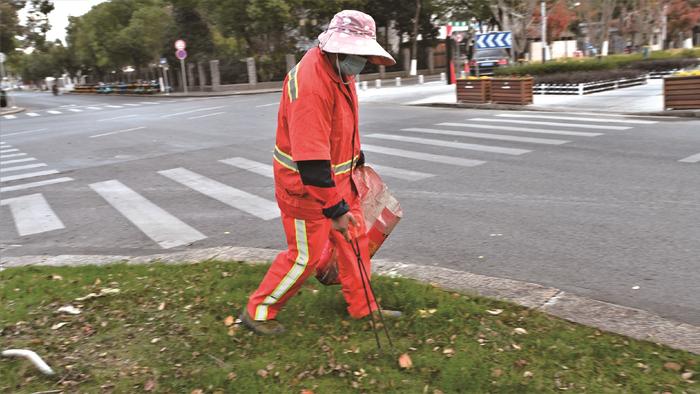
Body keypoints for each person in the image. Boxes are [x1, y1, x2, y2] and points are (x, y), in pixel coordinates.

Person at [240, 10, 400, 335]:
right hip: (305, 189)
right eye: (360, 55)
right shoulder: (311, 84)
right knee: (305, 257)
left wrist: (357, 159)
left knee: (355, 243)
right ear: (338, 48)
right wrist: (335, 209)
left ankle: (363, 308)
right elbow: (311, 161)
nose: (364, 62)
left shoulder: (341, 72)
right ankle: (258, 310)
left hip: (341, 180)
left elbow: (341, 129)